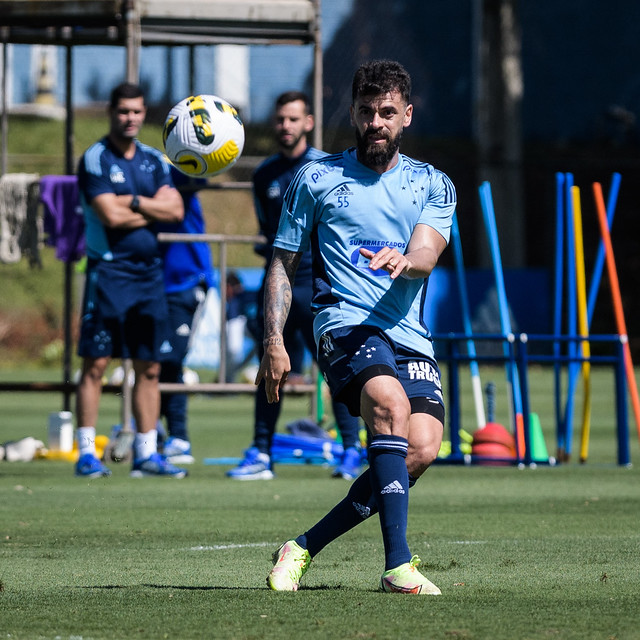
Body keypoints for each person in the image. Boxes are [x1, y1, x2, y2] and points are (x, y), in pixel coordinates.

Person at [258, 60, 456, 594]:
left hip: (408, 333)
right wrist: (273, 341)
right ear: (353, 113)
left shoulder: (432, 183)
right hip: (343, 322)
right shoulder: (316, 176)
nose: (376, 122)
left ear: (406, 116)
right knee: (389, 406)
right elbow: (283, 263)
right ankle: (398, 567)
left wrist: (405, 259)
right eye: (367, 111)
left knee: (421, 448)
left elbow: (426, 253)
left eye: (387, 112)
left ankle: (301, 547)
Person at [227, 91, 363, 481]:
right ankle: (261, 451)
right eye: (279, 119)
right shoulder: (263, 174)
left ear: (308, 122)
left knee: (335, 368)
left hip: (319, 284)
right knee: (270, 366)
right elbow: (269, 233)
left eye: (292, 119)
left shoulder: (327, 167)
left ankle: (351, 450)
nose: (285, 126)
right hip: (280, 285)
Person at [74, 82, 187, 479]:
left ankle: (145, 454)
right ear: (111, 112)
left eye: (137, 111)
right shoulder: (95, 159)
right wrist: (148, 209)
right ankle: (86, 453)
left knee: (149, 367)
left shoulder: (155, 161)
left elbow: (175, 210)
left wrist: (135, 202)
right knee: (96, 363)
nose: (131, 118)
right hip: (108, 272)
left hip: (148, 275)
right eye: (124, 111)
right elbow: (110, 217)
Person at [156, 167, 216, 464]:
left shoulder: (173, 172)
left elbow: (198, 174)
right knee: (150, 359)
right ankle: (151, 431)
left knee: (171, 358)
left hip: (186, 281)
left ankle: (178, 436)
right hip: (150, 282)